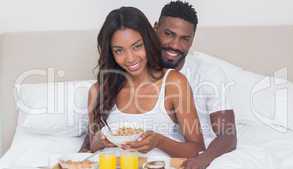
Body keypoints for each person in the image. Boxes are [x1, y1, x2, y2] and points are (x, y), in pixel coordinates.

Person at [80, 6, 206, 158]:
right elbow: (90, 148)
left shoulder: (174, 83)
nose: (130, 58)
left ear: (148, 41)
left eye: (137, 46)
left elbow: (197, 149)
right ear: (111, 53)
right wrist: (98, 142)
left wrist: (159, 142)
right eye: (119, 50)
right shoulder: (99, 90)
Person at [154, 1, 237, 169]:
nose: (175, 45)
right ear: (155, 28)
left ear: (192, 40)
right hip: (155, 155)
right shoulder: (137, 67)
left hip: (200, 153)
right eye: (169, 34)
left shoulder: (208, 73)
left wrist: (202, 160)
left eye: (185, 39)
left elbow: (228, 135)